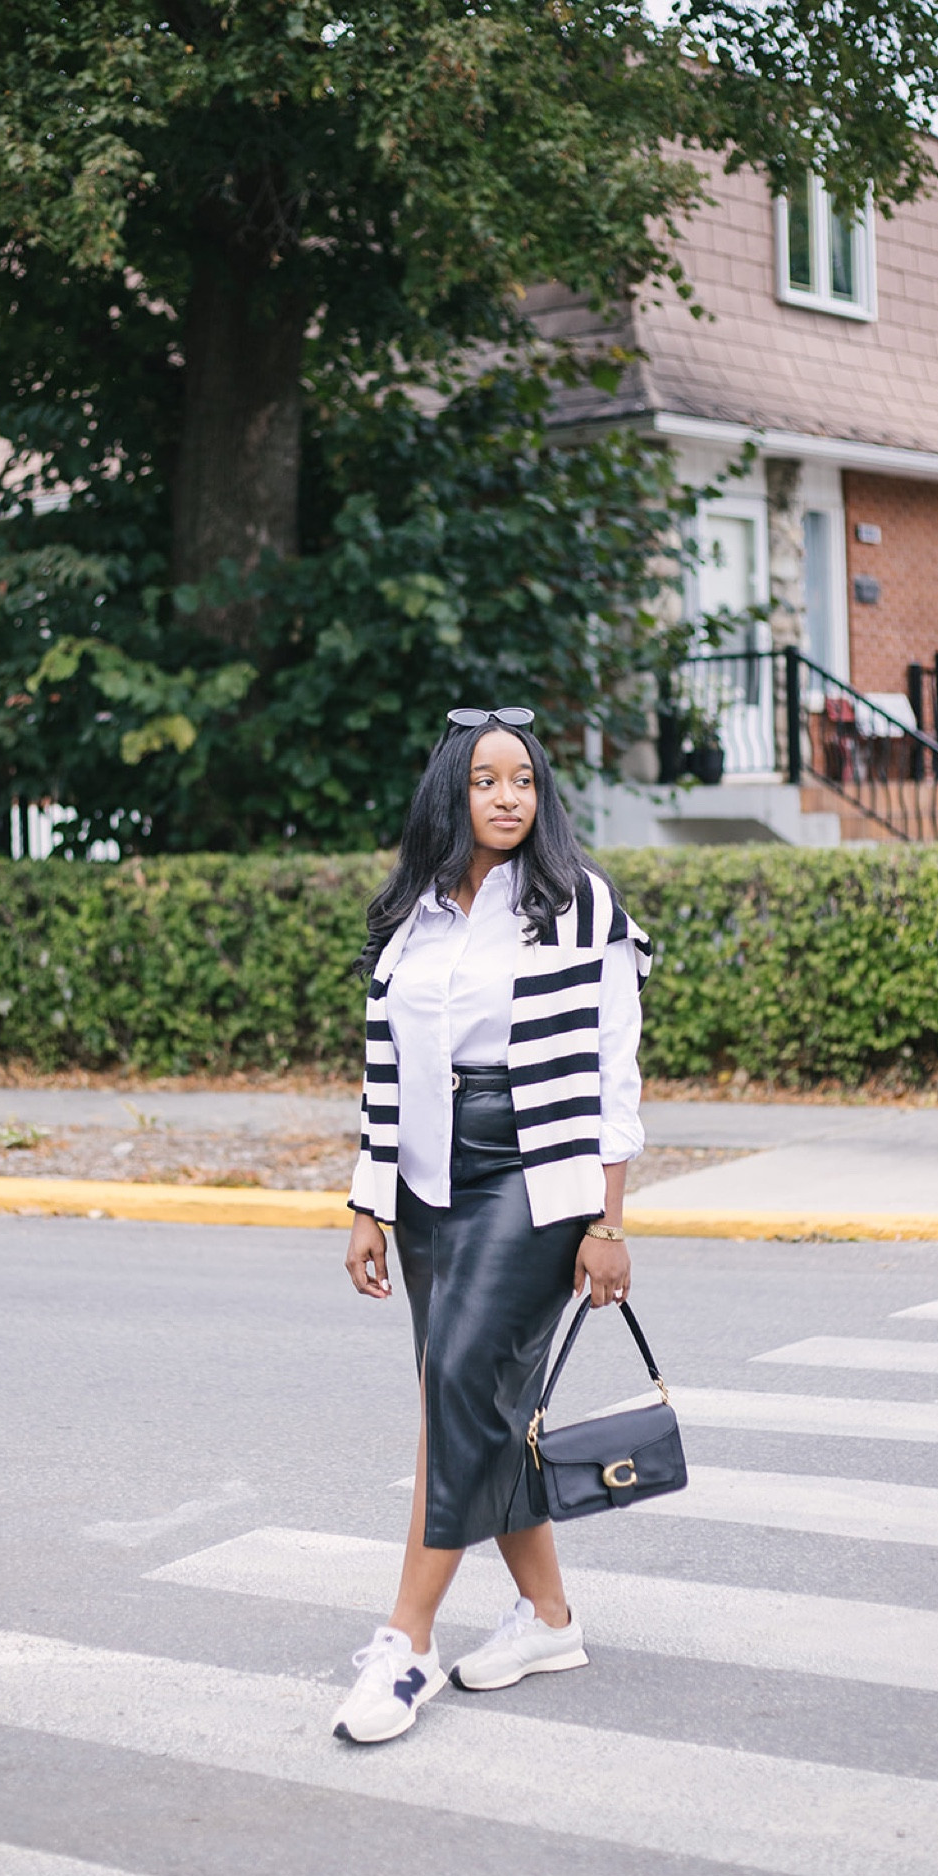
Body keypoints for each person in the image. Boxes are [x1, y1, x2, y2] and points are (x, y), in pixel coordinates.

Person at [332, 704, 651, 1744]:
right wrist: (369, 1199)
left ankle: (406, 1642)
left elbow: (612, 1072)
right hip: (430, 1178)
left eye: (523, 779)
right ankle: (548, 1618)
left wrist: (608, 1221)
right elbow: (384, 1068)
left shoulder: (579, 904)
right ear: (452, 794)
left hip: (535, 1172)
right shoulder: (412, 914)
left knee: (457, 1391)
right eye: (485, 780)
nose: (508, 796)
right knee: (482, 1402)